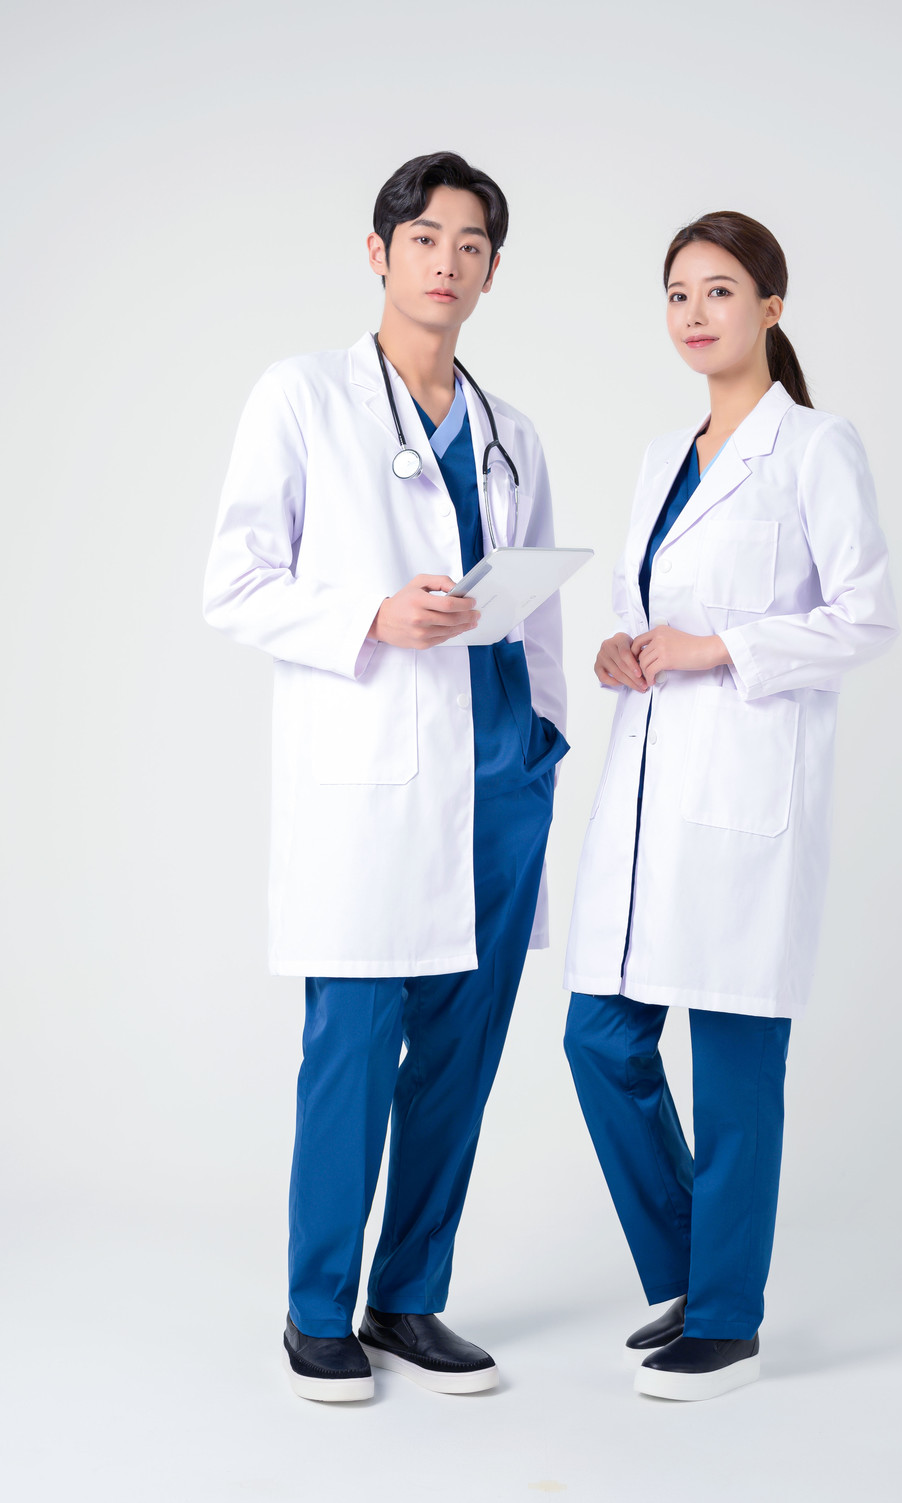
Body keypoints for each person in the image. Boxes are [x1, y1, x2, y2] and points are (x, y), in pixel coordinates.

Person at [204, 151, 568, 1401]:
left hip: (500, 775)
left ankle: (408, 1298)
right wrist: (369, 614)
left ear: (492, 270)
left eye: (470, 245)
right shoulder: (302, 396)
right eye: (424, 239)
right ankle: (318, 1312)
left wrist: (545, 736)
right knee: (353, 1050)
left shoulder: (511, 432)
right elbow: (234, 582)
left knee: (460, 1056)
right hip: (372, 779)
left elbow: (538, 607)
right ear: (379, 252)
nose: (446, 263)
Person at [563, 210, 898, 1402]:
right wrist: (624, 648)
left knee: (735, 1063)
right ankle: (689, 1272)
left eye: (718, 290)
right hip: (649, 792)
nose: (694, 313)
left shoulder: (815, 447)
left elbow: (864, 617)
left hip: (748, 795)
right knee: (597, 1037)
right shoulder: (664, 456)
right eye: (677, 294)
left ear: (769, 307)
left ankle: (725, 1323)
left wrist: (720, 649)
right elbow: (649, 607)